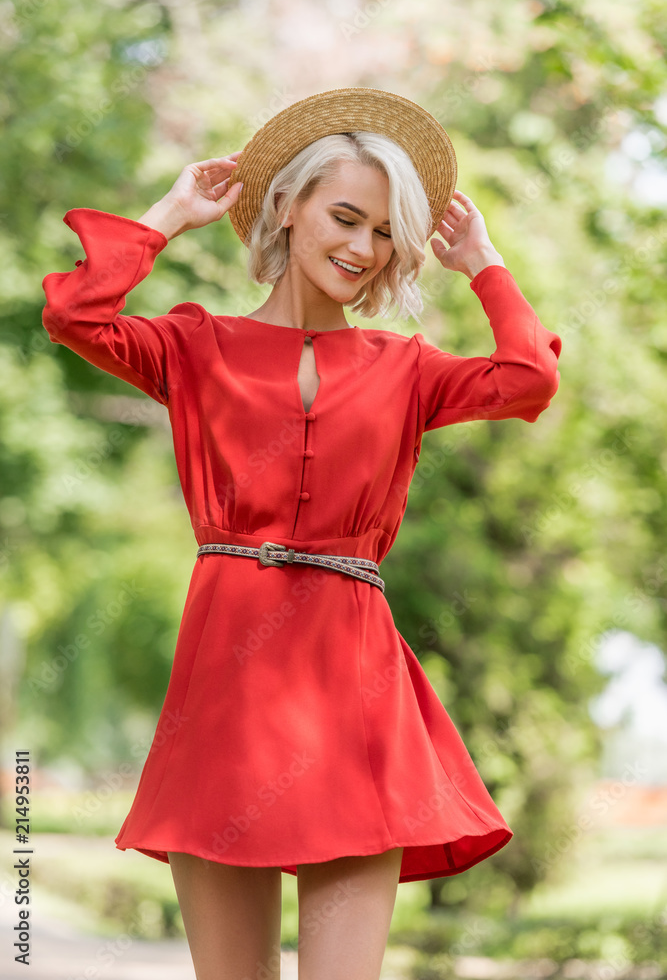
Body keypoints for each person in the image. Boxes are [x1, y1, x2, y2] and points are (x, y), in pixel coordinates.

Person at [42, 88, 562, 980]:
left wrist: (484, 263)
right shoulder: (193, 346)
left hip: (355, 695)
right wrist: (169, 214)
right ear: (286, 206)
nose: (364, 249)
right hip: (227, 691)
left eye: (386, 231)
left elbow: (525, 379)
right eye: (347, 218)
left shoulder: (406, 368)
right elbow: (76, 316)